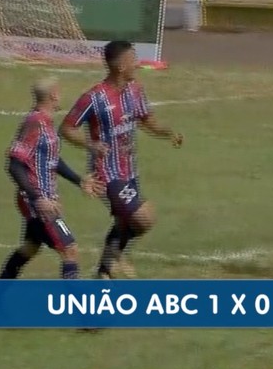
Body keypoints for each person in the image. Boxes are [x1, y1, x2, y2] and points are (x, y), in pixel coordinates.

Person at [59, 40, 183, 280]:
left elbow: (147, 120)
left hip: (130, 171)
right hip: (107, 175)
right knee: (143, 218)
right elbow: (66, 128)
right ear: (120, 67)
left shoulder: (135, 90)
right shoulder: (94, 98)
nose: (137, 64)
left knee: (126, 222)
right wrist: (90, 144)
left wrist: (168, 132)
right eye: (132, 59)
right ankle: (113, 256)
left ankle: (105, 271)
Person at [0, 77, 103, 280]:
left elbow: (52, 159)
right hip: (38, 200)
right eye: (59, 92)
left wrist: (79, 180)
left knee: (30, 248)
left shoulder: (45, 122)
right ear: (53, 94)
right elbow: (14, 164)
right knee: (70, 250)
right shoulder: (35, 123)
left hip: (41, 198)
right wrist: (38, 198)